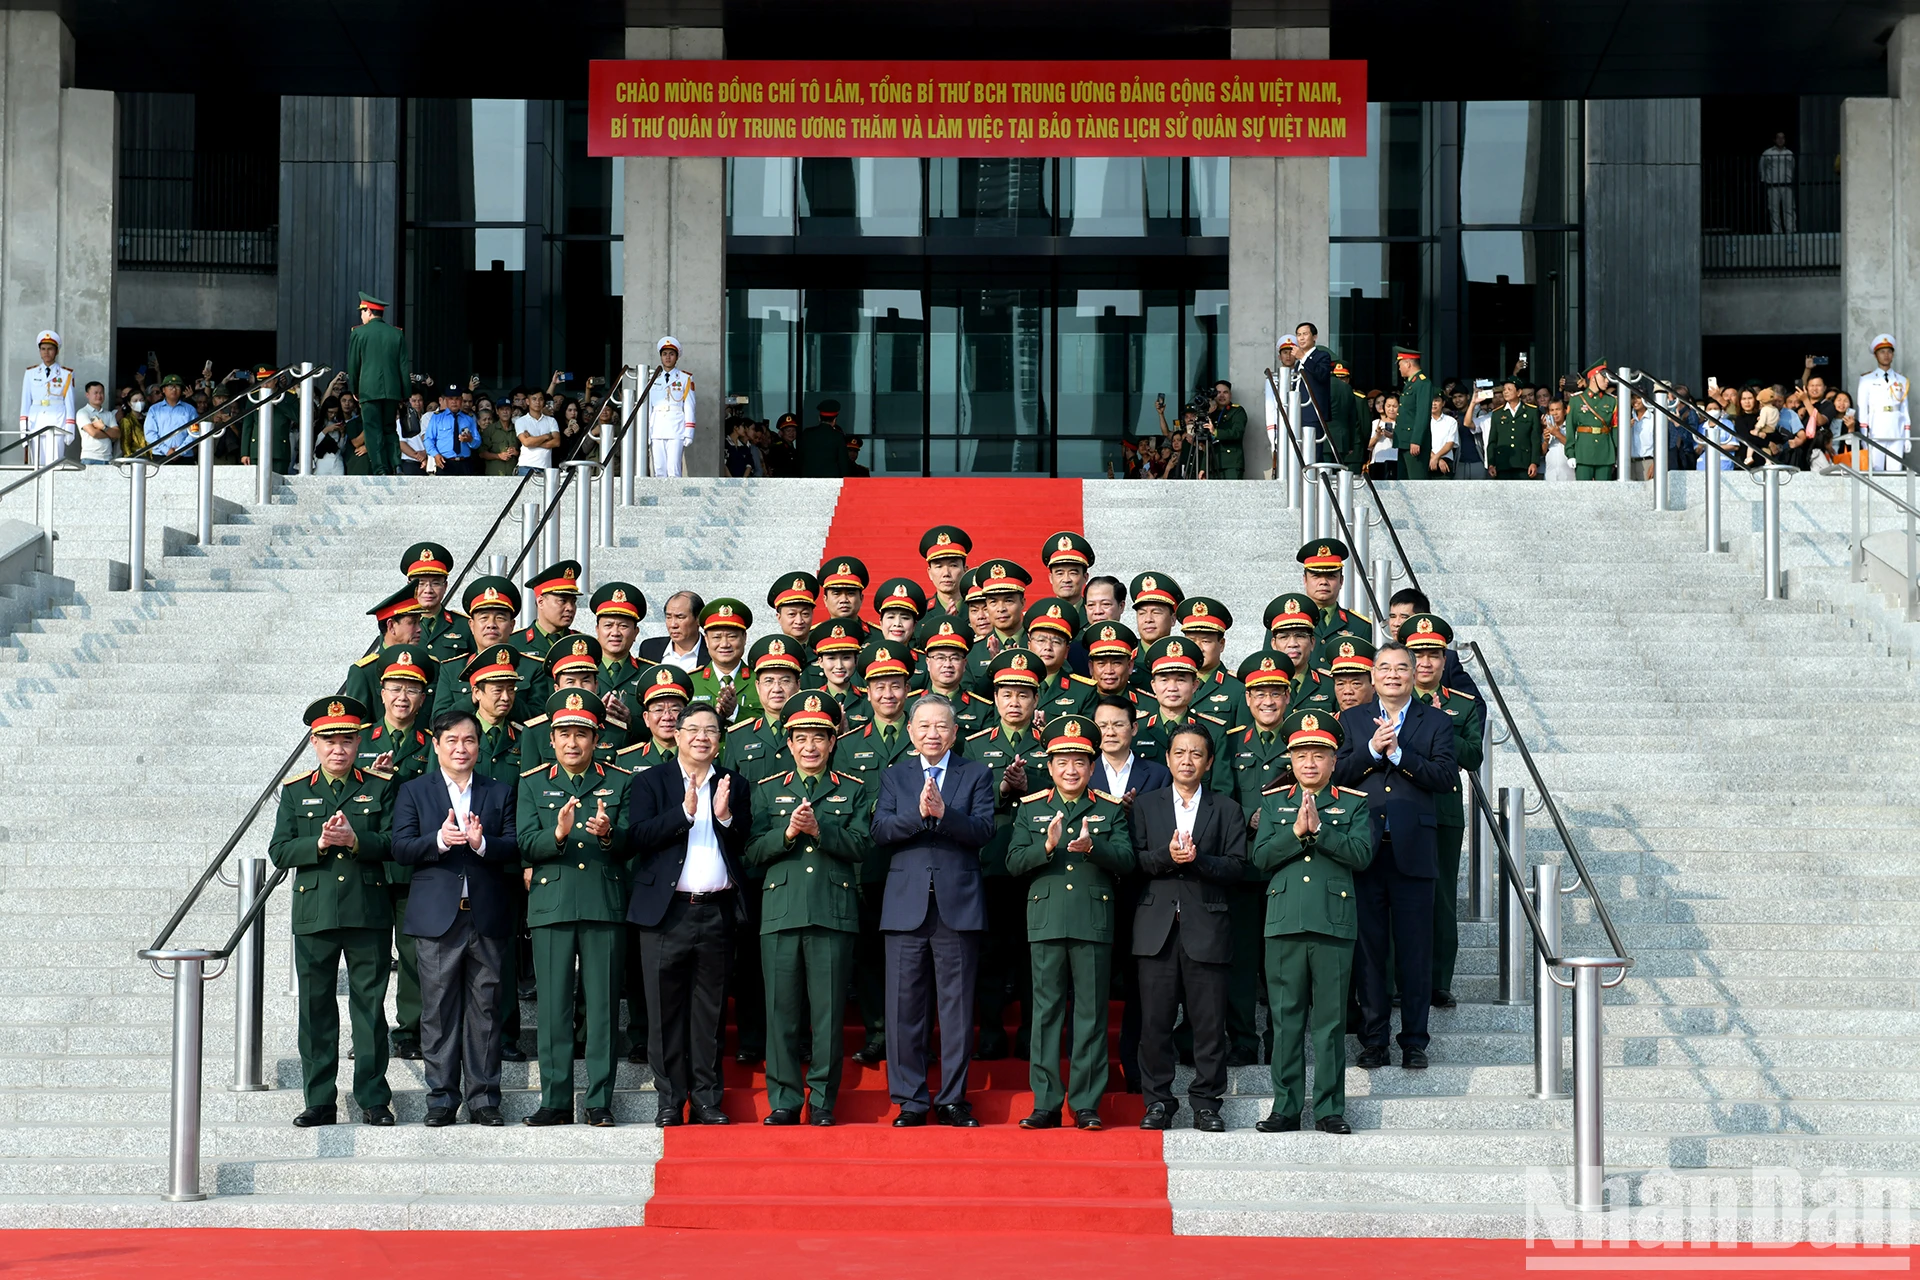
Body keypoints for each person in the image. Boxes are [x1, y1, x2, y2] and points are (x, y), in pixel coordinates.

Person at [267, 696, 397, 1127]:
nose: (338, 749)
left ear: (359, 742)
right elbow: (280, 851)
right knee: (316, 1009)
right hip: (315, 914)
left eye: (346, 740)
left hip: (367, 911)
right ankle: (319, 1098)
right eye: (328, 741)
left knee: (370, 1009)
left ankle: (374, 1098)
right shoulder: (296, 791)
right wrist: (320, 844)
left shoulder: (379, 787)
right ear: (314, 744)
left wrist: (356, 841)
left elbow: (395, 842)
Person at [870, 693, 997, 1126]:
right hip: (905, 907)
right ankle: (910, 1099)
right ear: (910, 731)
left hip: (957, 906)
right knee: (904, 1008)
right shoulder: (894, 777)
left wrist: (944, 815)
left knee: (956, 1009)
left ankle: (952, 1099)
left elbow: (983, 830)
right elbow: (881, 830)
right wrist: (918, 816)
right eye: (923, 726)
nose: (932, 733)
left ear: (955, 732)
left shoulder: (976, 773)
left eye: (941, 726)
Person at [1332, 641, 1457, 1071]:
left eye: (1401, 667)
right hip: (1365, 850)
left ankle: (1415, 1040)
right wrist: (1370, 751)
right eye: (1383, 668)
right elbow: (1336, 773)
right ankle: (1374, 1041)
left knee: (1414, 951)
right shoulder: (1351, 720)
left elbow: (1444, 777)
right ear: (1372, 675)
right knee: (1369, 953)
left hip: (1414, 852)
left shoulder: (1436, 721)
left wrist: (1400, 755)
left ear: (1414, 672)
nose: (1392, 675)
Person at [390, 709, 519, 1126]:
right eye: (452, 741)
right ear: (437, 744)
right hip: (436, 919)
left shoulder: (499, 791)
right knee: (439, 1011)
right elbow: (400, 848)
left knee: (486, 1008)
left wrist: (484, 845)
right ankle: (442, 1097)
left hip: (486, 915)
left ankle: (483, 1099)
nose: (461, 748)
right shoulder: (414, 791)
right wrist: (439, 841)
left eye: (469, 741)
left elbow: (516, 846)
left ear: (479, 747)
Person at [745, 694, 867, 1125]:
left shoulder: (853, 789)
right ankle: (784, 1099)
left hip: (833, 912)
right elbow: (752, 851)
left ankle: (822, 1101)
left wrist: (823, 829)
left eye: (819, 737)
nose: (810, 746)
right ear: (790, 742)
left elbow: (863, 845)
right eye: (801, 738)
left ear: (833, 743)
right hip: (781, 912)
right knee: (781, 1012)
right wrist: (788, 833)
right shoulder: (767, 790)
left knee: (828, 1015)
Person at [1006, 717, 1133, 1130]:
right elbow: (1012, 862)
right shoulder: (1032, 808)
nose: (1071, 770)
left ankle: (1085, 1103)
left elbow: (1128, 860)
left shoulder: (1109, 809)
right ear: (1051, 764)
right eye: (1063, 761)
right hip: (1045, 921)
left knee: (1091, 1015)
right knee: (1045, 1015)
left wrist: (1094, 847)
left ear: (1092, 766)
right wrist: (1045, 845)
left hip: (1093, 921)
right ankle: (1045, 1102)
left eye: (1080, 761)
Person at [626, 702, 750, 1126]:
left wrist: (725, 816)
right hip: (666, 915)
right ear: (676, 735)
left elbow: (745, 842)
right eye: (692, 729)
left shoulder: (735, 783)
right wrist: (683, 813)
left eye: (710, 730)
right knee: (664, 1013)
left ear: (720, 739)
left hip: (716, 913)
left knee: (709, 1013)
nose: (702, 737)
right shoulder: (650, 782)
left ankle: (706, 1099)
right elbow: (637, 837)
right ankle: (669, 1099)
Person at [1249, 708, 1372, 1134]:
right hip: (1283, 924)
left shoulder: (1352, 803)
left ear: (1334, 760)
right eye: (1302, 755)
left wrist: (1322, 832)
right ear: (1290, 759)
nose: (1310, 763)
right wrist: (1296, 833)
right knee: (1284, 1021)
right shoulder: (1271, 802)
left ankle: (1329, 1109)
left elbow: (1362, 855)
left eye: (1319, 754)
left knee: (1331, 1023)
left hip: (1333, 925)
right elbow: (1260, 858)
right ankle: (1285, 1107)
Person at [518, 689, 633, 1127]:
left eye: (581, 734)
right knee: (553, 1009)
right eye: (564, 733)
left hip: (604, 904)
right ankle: (555, 1099)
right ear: (551, 739)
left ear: (597, 737)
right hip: (553, 904)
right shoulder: (532, 782)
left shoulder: (621, 780)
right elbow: (525, 843)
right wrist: (559, 835)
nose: (572, 742)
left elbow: (633, 844)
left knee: (602, 1007)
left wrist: (608, 834)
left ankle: (599, 1100)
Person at [1129, 722, 1245, 1132]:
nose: (1187, 761)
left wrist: (1197, 860)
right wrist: (1167, 856)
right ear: (1167, 758)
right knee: (1154, 1023)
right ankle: (1158, 1101)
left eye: (1196, 754)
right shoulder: (1145, 805)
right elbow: (1133, 862)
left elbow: (1238, 867)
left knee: (1209, 1024)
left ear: (1209, 762)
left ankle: (1207, 1103)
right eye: (1180, 753)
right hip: (1155, 929)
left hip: (1207, 928)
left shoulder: (1227, 808)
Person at [1399, 614, 1484, 1011]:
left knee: (1441, 897)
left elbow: (1473, 755)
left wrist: (1440, 728)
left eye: (1434, 654)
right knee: (1395, 893)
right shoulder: (1393, 700)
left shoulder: (1462, 705)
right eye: (1417, 654)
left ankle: (1438, 980)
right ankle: (1397, 980)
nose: (1426, 663)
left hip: (1443, 809)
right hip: (1400, 805)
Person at [345, 293, 408, 475]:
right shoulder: (397, 333)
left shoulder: (358, 333)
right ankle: (396, 464)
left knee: (372, 429)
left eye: (362, 312)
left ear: (369, 312)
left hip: (368, 391)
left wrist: (354, 390)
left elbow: (354, 366)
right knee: (389, 428)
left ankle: (380, 468)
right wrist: (405, 393)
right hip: (392, 391)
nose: (361, 316)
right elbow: (403, 366)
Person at [689, 599, 759, 721]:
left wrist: (736, 712)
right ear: (706, 640)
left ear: (744, 638)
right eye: (717, 637)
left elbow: (770, 721)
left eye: (732, 637)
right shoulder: (692, 682)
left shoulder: (760, 681)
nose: (725, 644)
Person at [17, 329, 74, 467]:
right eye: (43, 349)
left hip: (57, 422)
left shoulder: (66, 374)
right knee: (36, 464)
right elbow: (25, 402)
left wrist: (70, 429)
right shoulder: (30, 373)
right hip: (35, 422)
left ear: (56, 351)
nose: (46, 352)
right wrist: (23, 429)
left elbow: (70, 404)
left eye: (50, 349)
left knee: (55, 463)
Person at [1856, 335, 1909, 471]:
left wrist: (1907, 436)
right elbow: (1863, 409)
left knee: (1896, 471)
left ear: (1893, 354)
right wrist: (1863, 436)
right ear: (1875, 355)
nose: (1886, 355)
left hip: (1896, 430)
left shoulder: (1902, 380)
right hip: (1876, 429)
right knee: (1875, 470)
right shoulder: (1866, 379)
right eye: (1882, 352)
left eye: (1889, 351)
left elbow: (1904, 409)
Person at [649, 337, 697, 477]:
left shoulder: (685, 378)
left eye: (671, 354)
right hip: (657, 427)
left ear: (676, 357)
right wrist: (646, 430)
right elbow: (648, 408)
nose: (668, 357)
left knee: (674, 469)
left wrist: (689, 431)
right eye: (664, 354)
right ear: (660, 357)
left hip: (676, 427)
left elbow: (689, 405)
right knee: (658, 469)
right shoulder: (653, 378)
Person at [1567, 360, 1620, 481]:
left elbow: (1615, 429)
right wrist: (1570, 453)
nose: (1607, 381)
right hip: (1583, 452)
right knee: (1583, 493)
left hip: (1605, 453)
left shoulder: (1612, 401)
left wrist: (1617, 453)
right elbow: (1570, 428)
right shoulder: (1576, 400)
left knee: (1604, 494)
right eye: (1603, 377)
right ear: (1593, 377)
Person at [637, 590, 708, 670]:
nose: (673, 625)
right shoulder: (649, 648)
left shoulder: (713, 653)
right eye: (669, 617)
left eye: (680, 617)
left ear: (698, 619)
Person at [1485, 379, 1541, 479]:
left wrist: (1534, 462)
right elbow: (1493, 441)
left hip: (1524, 463)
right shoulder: (1497, 413)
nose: (1505, 392)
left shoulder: (1531, 411)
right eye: (1504, 389)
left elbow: (1535, 439)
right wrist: (1491, 463)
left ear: (1519, 392)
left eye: (1509, 389)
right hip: (1503, 463)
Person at [1391, 348, 1433, 479]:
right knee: (1403, 481)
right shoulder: (1411, 384)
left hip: (1413, 443)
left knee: (1416, 481)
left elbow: (1422, 414)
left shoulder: (1422, 383)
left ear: (1408, 363)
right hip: (1404, 441)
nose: (1399, 369)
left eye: (1400, 365)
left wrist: (1416, 440)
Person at [422, 383, 478, 476]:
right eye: (451, 399)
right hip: (444, 462)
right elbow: (428, 440)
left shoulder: (469, 418)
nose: (454, 402)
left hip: (465, 463)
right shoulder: (437, 418)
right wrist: (435, 454)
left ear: (461, 400)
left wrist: (470, 440)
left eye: (457, 399)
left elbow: (477, 441)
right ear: (446, 400)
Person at [142, 373, 197, 460]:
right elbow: (150, 433)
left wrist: (180, 450)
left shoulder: (190, 410)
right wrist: (167, 450)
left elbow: (195, 432)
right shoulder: (154, 409)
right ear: (163, 390)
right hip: (160, 455)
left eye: (177, 387)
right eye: (170, 387)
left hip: (184, 456)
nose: (174, 390)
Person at [514, 390, 560, 478]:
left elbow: (556, 442)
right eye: (534, 399)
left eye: (540, 399)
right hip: (526, 466)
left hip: (545, 467)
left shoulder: (551, 420)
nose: (537, 402)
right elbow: (526, 443)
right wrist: (546, 436)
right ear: (527, 401)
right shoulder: (520, 421)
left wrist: (532, 439)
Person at [1207, 380, 1247, 479]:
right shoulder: (1210, 414)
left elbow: (1237, 433)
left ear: (1230, 395)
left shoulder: (1237, 411)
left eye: (1225, 392)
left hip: (1231, 464)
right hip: (1212, 464)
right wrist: (1203, 467)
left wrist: (1215, 432)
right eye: (1218, 392)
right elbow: (1206, 443)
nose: (1221, 395)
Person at [799, 400, 848, 477]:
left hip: (808, 481)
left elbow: (799, 459)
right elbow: (843, 464)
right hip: (831, 482)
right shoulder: (838, 436)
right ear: (834, 420)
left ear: (819, 418)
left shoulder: (807, 433)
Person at [1760, 132, 1796, 234]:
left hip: (1787, 185)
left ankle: (1790, 230)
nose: (1781, 140)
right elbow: (1762, 168)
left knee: (1789, 209)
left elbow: (1792, 168)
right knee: (1773, 210)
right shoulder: (1767, 153)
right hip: (1773, 186)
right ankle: (1776, 231)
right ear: (1774, 140)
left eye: (1783, 138)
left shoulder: (1789, 153)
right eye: (1778, 138)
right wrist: (1765, 181)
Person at [75, 381, 117, 465]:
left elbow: (117, 434)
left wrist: (103, 427)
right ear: (87, 395)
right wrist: (110, 433)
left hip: (108, 458)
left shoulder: (109, 414)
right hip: (90, 458)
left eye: (101, 393)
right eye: (96, 393)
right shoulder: (83, 412)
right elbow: (94, 433)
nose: (99, 396)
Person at [1541, 398, 1576, 481]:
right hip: (1550, 475)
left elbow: (1574, 446)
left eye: (1558, 409)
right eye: (1552, 410)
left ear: (1565, 411)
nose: (1555, 413)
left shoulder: (1571, 428)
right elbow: (1542, 452)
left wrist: (1557, 433)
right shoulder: (1547, 429)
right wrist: (1545, 441)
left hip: (1568, 475)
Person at [1367, 395, 1400, 480]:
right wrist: (1377, 436)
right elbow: (1368, 445)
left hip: (1396, 460)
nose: (1391, 409)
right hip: (1378, 460)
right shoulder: (1376, 423)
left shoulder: (1402, 424)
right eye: (1388, 406)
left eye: (1395, 406)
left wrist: (1393, 436)